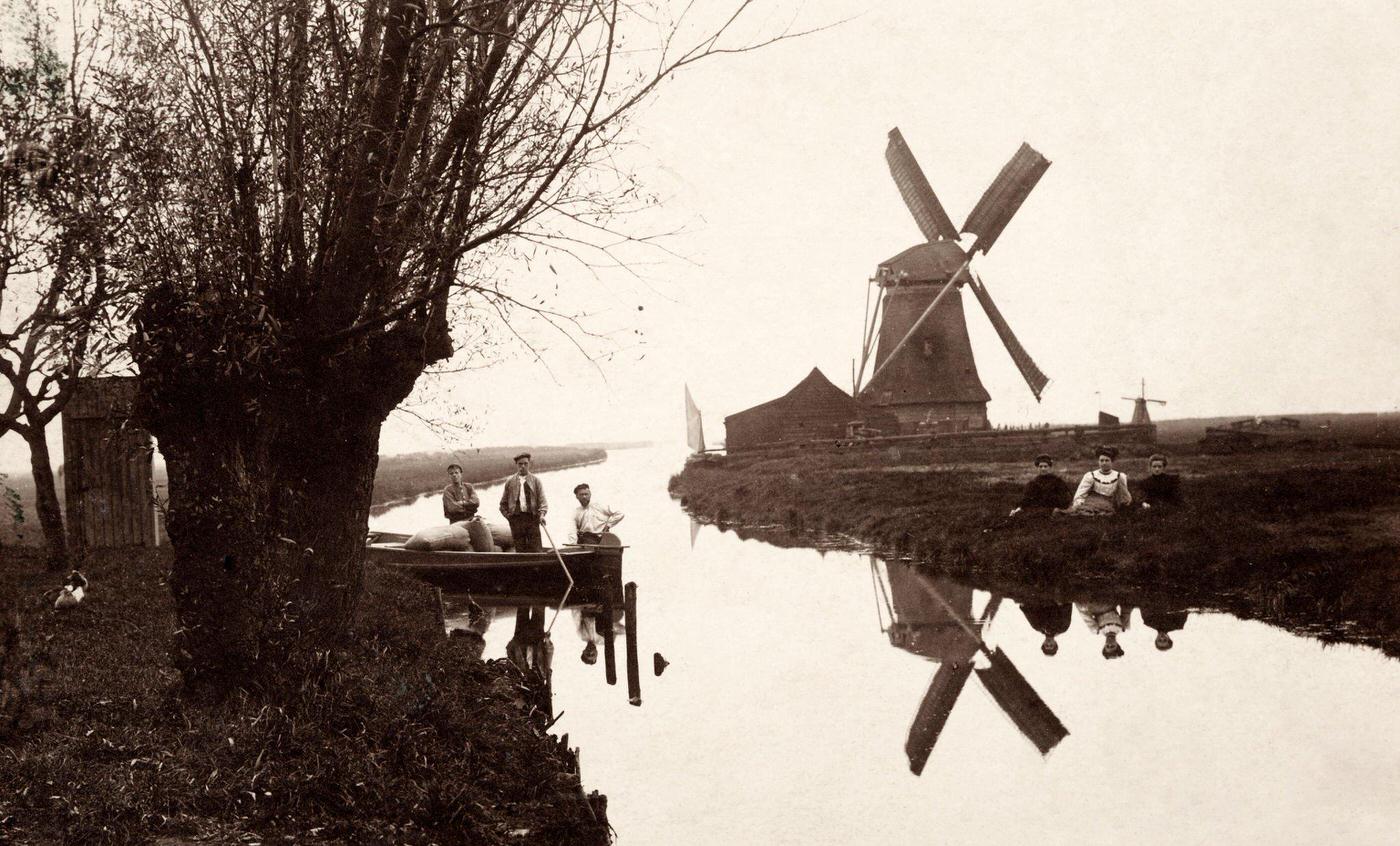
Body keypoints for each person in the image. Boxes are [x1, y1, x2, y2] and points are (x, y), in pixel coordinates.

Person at [1059, 446, 1131, 516]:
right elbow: (1081, 493)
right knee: (1084, 511)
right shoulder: (1091, 475)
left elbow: (1124, 495)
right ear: (1098, 461)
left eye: (1107, 460)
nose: (1104, 463)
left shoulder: (1120, 476)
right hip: (1092, 501)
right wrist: (1077, 504)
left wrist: (1123, 504)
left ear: (1112, 461)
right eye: (1101, 460)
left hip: (1110, 504)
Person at [499, 452, 547, 553]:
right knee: (520, 550)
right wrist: (509, 517)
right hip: (516, 520)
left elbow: (543, 502)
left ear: (529, 464)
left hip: (532, 519)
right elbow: (503, 504)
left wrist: (542, 515)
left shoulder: (536, 481)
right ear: (516, 465)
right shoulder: (510, 481)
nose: (523, 466)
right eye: (520, 464)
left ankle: (537, 568)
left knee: (536, 549)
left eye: (525, 463)